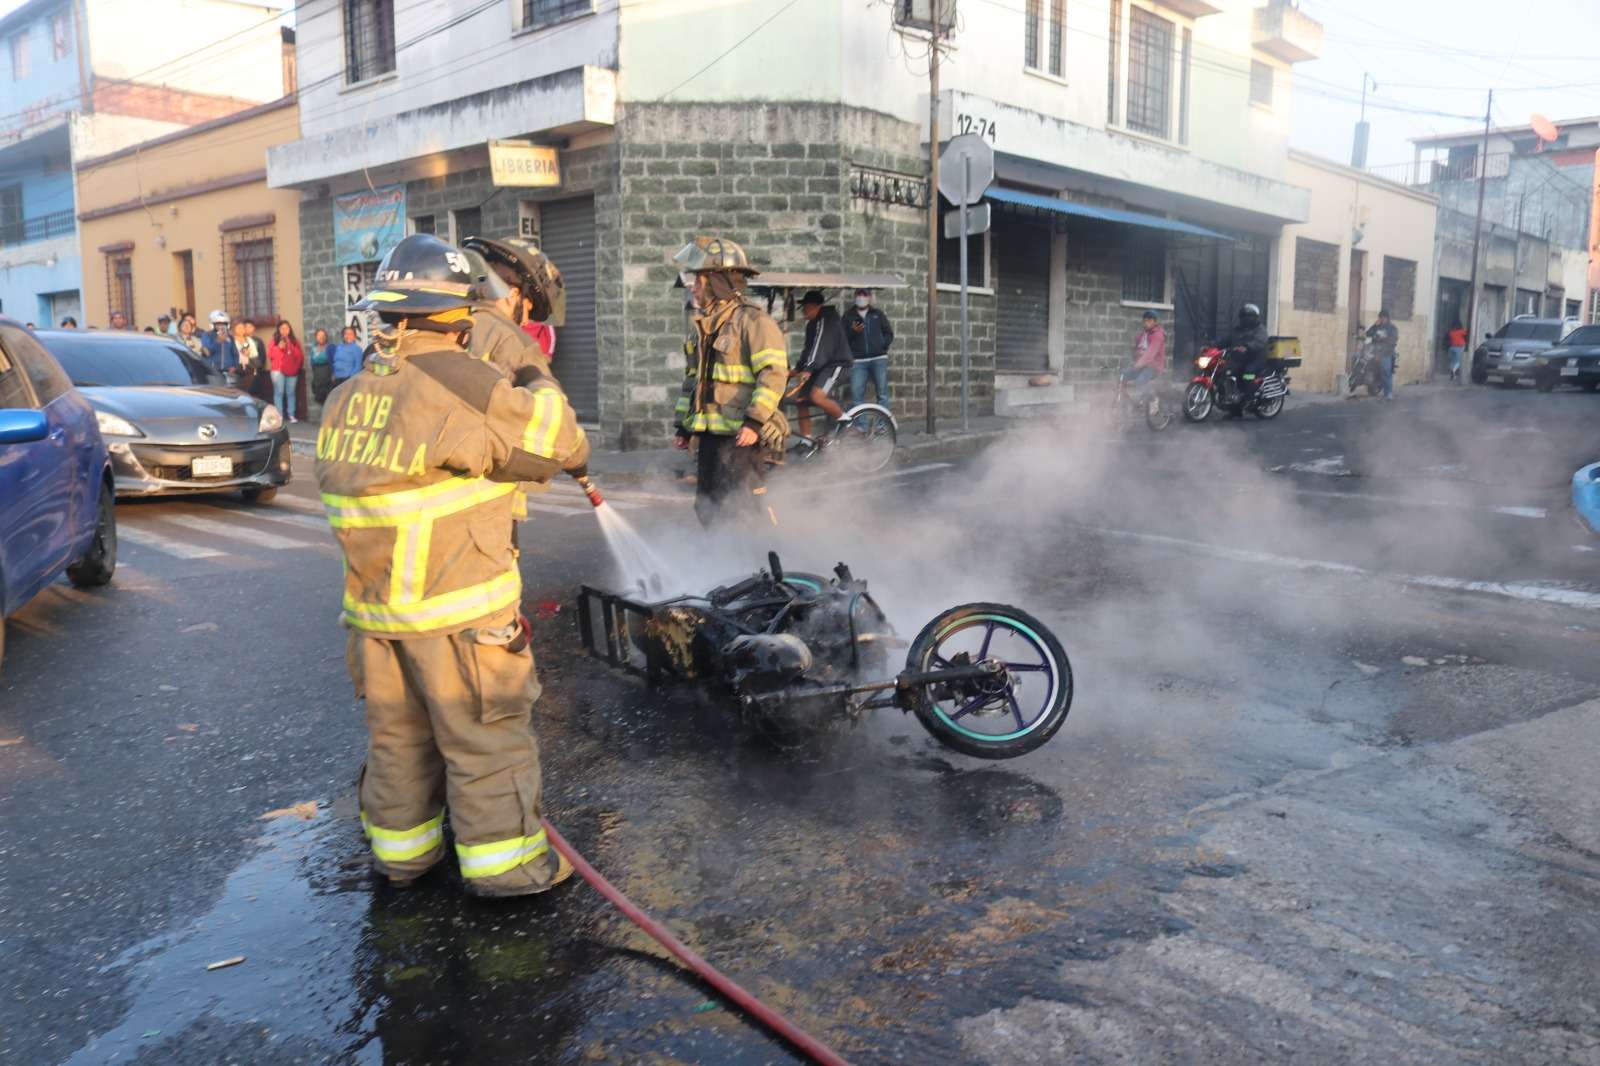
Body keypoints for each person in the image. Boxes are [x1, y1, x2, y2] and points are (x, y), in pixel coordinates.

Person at [316, 232, 588, 896]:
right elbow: (560, 443)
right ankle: (510, 870)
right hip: (459, 614)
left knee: (399, 742)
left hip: (376, 620)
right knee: (484, 742)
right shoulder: (462, 385)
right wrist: (534, 379)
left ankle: (405, 857)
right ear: (461, 314)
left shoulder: (350, 395)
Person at [672, 236, 788, 528]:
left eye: (697, 281)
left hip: (742, 438)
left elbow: (773, 374)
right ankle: (720, 562)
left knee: (744, 509)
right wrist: (684, 427)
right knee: (708, 507)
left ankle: (759, 563)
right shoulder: (702, 327)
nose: (693, 288)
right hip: (710, 436)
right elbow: (693, 380)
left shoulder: (754, 322)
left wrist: (754, 423)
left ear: (716, 280)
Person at [460, 235, 564, 386]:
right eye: (530, 304)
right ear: (513, 295)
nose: (527, 320)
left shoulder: (452, 324)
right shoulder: (516, 345)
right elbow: (553, 407)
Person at [790, 290, 851, 439]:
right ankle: (807, 440)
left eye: (805, 307)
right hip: (822, 366)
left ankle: (846, 422)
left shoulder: (826, 321)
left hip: (837, 365)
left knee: (817, 397)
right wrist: (798, 368)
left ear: (814, 306)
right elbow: (808, 349)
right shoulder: (812, 324)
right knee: (801, 401)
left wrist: (808, 370)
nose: (803, 311)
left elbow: (819, 348)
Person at [841, 288, 894, 407]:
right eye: (858, 294)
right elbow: (842, 339)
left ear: (869, 297)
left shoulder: (877, 314)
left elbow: (888, 333)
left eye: (864, 294)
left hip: (879, 359)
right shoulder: (848, 316)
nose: (861, 297)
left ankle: (882, 424)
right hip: (858, 361)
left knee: (882, 394)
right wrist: (853, 331)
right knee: (857, 396)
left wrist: (881, 346)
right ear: (855, 296)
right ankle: (861, 425)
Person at [1221, 302, 1269, 413]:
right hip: (1241, 358)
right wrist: (1213, 343)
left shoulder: (1260, 329)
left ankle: (1250, 397)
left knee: (1248, 373)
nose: (1246, 319)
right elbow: (1226, 339)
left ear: (1254, 317)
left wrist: (1247, 347)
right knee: (1228, 371)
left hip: (1256, 358)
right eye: (1244, 316)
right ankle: (1234, 402)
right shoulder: (1238, 330)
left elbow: (1260, 342)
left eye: (1249, 316)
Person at [268, 321, 306, 422]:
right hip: (278, 370)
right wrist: (279, 348)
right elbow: (271, 356)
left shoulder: (294, 341)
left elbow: (299, 356)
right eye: (282, 328)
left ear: (290, 330)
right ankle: (279, 415)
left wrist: (291, 346)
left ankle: (291, 415)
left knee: (291, 393)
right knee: (279, 392)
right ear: (279, 330)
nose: (284, 330)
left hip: (292, 370)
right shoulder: (274, 340)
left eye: (287, 328)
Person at [1123, 310, 1167, 391]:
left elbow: (1149, 355)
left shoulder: (1158, 335)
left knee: (1139, 381)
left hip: (1153, 368)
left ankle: (1146, 401)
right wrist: (1132, 361)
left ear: (1155, 322)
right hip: (1140, 366)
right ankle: (1123, 398)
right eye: (1144, 321)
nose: (1146, 323)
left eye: (1149, 321)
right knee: (1123, 375)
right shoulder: (1142, 334)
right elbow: (1136, 350)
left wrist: (1137, 365)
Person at [1366, 309, 1399, 401]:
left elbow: (1392, 342)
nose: (1382, 319)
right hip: (1374, 352)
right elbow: (1368, 334)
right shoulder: (1377, 327)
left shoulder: (1392, 328)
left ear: (1387, 318)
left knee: (1385, 372)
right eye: (1380, 317)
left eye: (1384, 317)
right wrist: (1374, 325)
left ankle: (1388, 393)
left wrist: (1381, 354)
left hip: (1386, 353)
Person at [310, 327, 335, 405]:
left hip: (327, 374)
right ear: (316, 337)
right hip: (317, 375)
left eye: (323, 335)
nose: (321, 337)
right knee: (320, 398)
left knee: (329, 397)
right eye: (319, 335)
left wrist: (333, 374)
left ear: (326, 337)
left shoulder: (330, 347)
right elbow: (312, 362)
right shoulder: (313, 348)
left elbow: (334, 361)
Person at [1446, 318, 1467, 384]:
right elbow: (1466, 333)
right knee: (1459, 362)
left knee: (1453, 362)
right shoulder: (1461, 331)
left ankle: (1453, 375)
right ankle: (1454, 371)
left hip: (1452, 348)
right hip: (1459, 348)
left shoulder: (1451, 332)